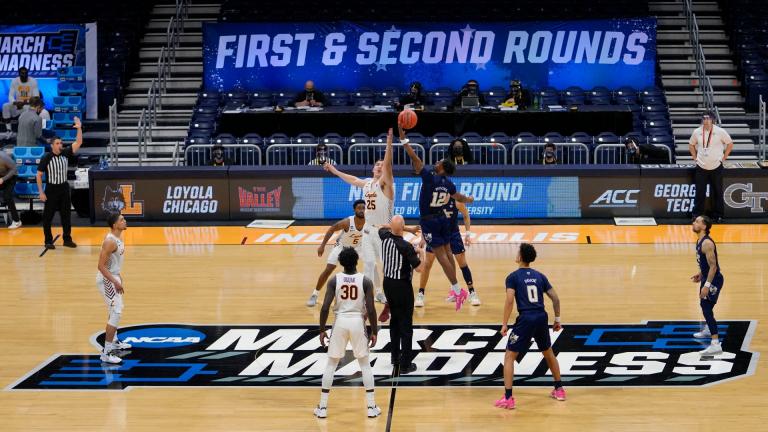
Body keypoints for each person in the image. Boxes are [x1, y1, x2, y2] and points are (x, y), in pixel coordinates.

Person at [401, 126, 475, 310]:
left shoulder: (429, 178)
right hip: (443, 221)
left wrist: (404, 141)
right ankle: (456, 288)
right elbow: (459, 197)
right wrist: (469, 199)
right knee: (448, 253)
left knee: (440, 257)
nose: (436, 162)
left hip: (430, 221)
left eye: (439, 161)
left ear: (442, 168)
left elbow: (415, 159)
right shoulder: (448, 184)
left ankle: (458, 291)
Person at [324, 128, 397, 303]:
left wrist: (389, 143)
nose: (380, 166)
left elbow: (387, 165)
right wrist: (335, 171)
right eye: (377, 164)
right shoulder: (366, 184)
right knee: (369, 265)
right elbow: (351, 179)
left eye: (382, 165)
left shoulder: (386, 183)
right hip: (368, 231)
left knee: (387, 267)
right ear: (372, 168)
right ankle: (368, 296)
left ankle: (386, 293)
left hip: (384, 232)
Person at [497, 243, 566, 409]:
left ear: (520, 256)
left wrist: (504, 323)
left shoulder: (512, 277)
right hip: (541, 317)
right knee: (548, 353)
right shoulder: (540, 276)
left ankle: (508, 398)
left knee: (509, 357)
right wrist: (557, 319)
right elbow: (555, 298)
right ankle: (559, 390)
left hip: (526, 319)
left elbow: (509, 300)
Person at [315, 247, 380, 419]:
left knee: (331, 364)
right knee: (365, 364)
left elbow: (324, 308)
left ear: (341, 263)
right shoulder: (365, 281)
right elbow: (372, 310)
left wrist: (322, 330)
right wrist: (374, 331)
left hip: (340, 321)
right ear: (357, 261)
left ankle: (322, 407)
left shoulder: (334, 280)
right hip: (358, 321)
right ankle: (371, 406)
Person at [378, 215, 426, 374]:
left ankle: (394, 357)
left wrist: (398, 227)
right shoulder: (406, 247)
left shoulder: (384, 237)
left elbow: (382, 226)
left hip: (388, 285)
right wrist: (421, 252)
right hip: (402, 287)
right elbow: (419, 269)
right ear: (403, 227)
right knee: (406, 325)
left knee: (395, 322)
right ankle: (406, 364)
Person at [416, 197, 480, 307]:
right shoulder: (433, 201)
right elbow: (425, 220)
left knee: (462, 263)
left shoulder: (456, 201)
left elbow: (466, 215)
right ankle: (420, 294)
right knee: (428, 264)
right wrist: (423, 237)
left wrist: (468, 234)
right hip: (436, 234)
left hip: (452, 234)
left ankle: (472, 293)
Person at [307, 200, 366, 307]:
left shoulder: (369, 221)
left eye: (363, 208)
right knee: (328, 270)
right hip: (341, 247)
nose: (362, 210)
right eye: (359, 208)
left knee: (371, 266)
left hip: (358, 249)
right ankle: (314, 294)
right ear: (354, 210)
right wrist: (322, 246)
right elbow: (331, 229)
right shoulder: (347, 222)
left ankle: (377, 293)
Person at [36, 116, 83, 249]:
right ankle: (48, 240)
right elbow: (38, 175)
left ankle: (67, 239)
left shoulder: (66, 153)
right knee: (47, 217)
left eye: (60, 143)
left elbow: (78, 142)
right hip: (51, 189)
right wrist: (41, 192)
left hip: (63, 187)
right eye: (57, 143)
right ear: (52, 145)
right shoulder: (46, 157)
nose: (60, 145)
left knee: (66, 216)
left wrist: (79, 128)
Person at [96, 212, 132, 364]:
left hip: (113, 276)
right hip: (106, 279)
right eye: (122, 220)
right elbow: (101, 266)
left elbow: (113, 263)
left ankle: (115, 341)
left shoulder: (118, 237)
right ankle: (107, 352)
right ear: (115, 225)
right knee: (116, 311)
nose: (125, 221)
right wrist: (115, 281)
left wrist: (118, 275)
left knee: (114, 310)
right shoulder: (110, 242)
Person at [688, 111, 733, 223]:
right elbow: (691, 144)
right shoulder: (697, 132)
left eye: (708, 118)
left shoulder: (720, 131)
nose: (706, 121)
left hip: (716, 166)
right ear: (702, 120)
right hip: (701, 166)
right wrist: (695, 158)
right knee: (699, 192)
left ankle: (718, 215)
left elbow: (730, 143)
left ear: (713, 120)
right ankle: (697, 214)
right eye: (704, 118)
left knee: (717, 191)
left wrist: (724, 158)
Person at [691, 215, 725, 357]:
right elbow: (704, 264)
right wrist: (700, 273)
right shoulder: (699, 240)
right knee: (705, 306)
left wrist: (707, 285)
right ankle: (708, 329)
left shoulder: (707, 243)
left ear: (704, 226)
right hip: (706, 278)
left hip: (713, 280)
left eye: (697, 221)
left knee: (706, 308)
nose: (694, 223)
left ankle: (715, 344)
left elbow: (713, 267)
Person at [3, 67, 40, 136]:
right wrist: (15, 102)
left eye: (26, 73)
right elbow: (10, 96)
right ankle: (9, 130)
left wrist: (24, 102)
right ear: (19, 74)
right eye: (22, 73)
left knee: (28, 108)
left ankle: (27, 131)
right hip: (17, 105)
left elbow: (36, 97)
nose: (24, 75)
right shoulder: (14, 81)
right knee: (5, 106)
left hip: (29, 105)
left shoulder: (33, 81)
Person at [0, 150, 21, 229]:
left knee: (7, 196)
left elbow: (14, 169)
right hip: (2, 174)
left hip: (11, 176)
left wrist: (3, 179)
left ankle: (17, 221)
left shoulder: (3, 157)